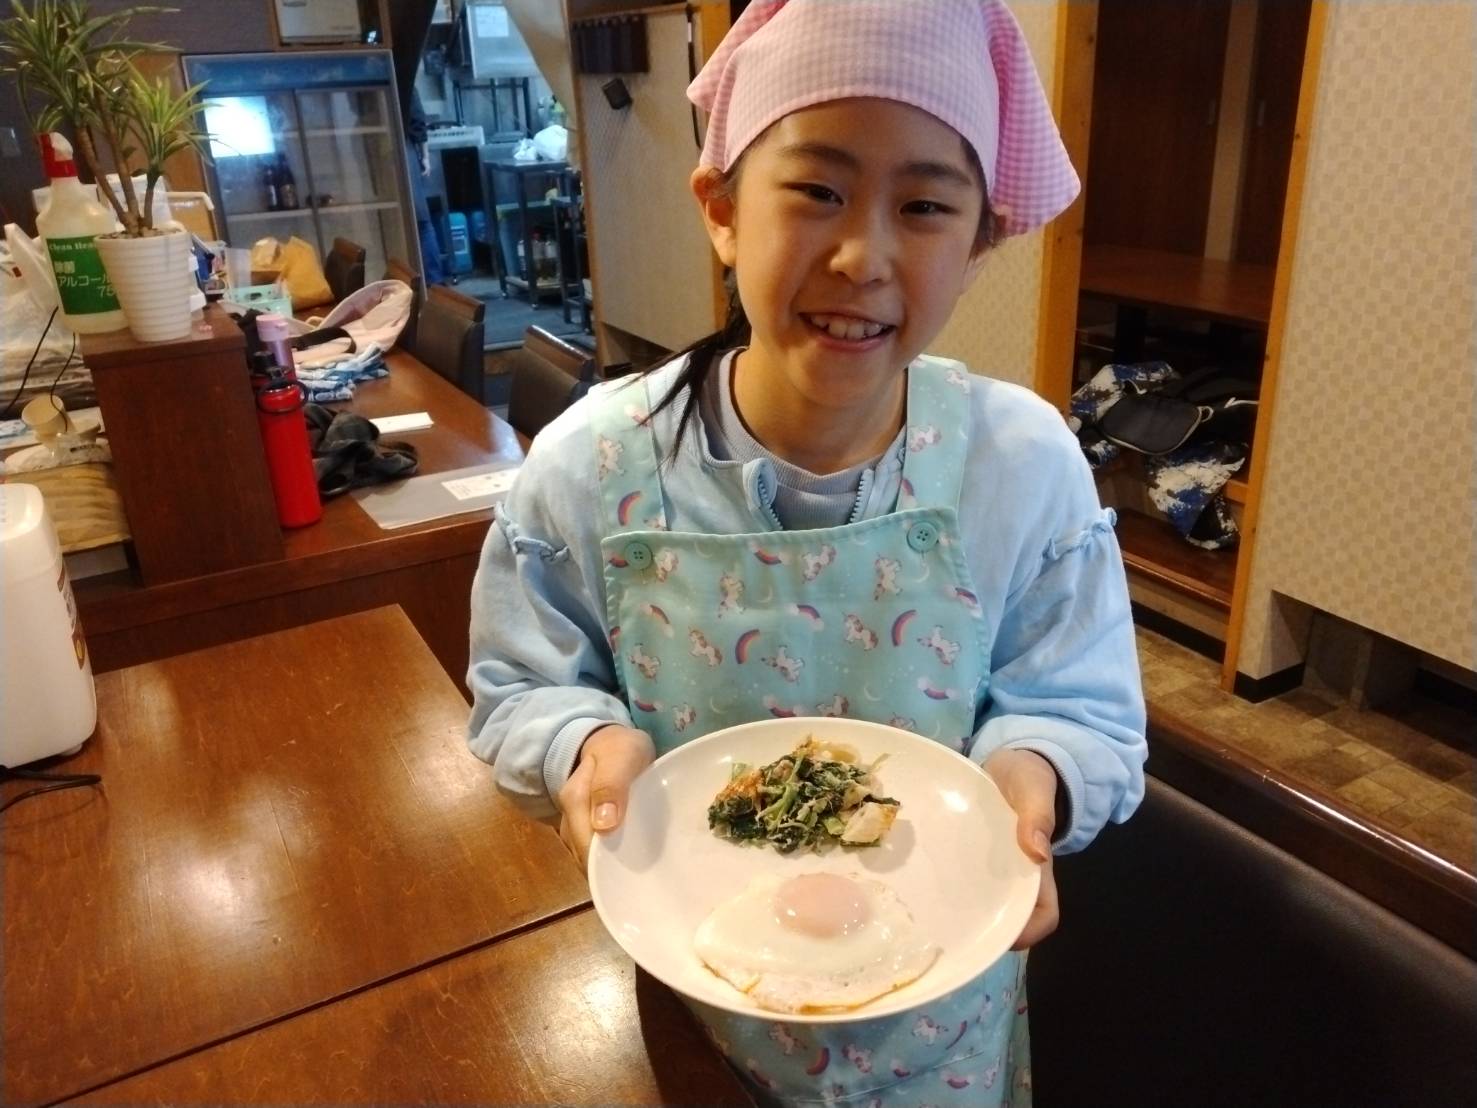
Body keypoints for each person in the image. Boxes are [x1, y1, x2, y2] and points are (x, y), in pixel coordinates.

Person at [467, 1, 1146, 1103]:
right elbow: (521, 683)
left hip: (941, 1034)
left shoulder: (1021, 466)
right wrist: (580, 744)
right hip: (691, 1015)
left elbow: (1081, 705)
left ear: (979, 242)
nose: (862, 256)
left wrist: (1033, 774)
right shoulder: (589, 465)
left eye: (924, 206)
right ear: (721, 208)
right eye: (817, 190)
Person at [403, 87, 445, 287]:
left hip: (379, 144)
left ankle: (427, 283)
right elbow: (417, 119)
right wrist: (425, 155)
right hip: (404, 147)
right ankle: (434, 283)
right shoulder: (402, 75)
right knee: (422, 221)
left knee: (412, 222)